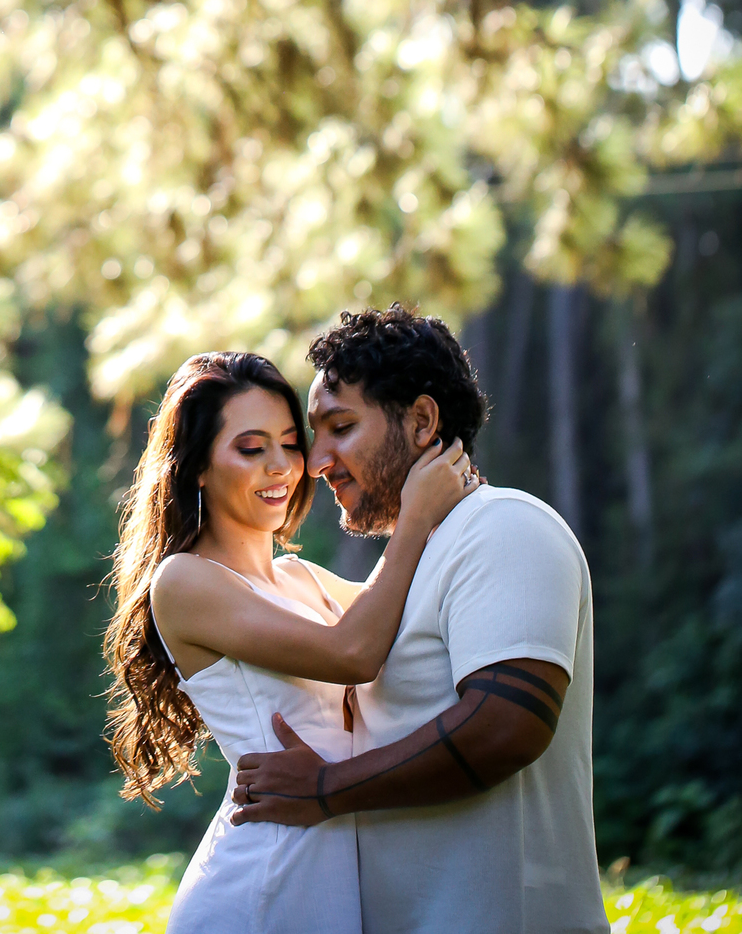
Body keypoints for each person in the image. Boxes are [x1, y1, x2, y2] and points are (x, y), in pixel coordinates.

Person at [231, 304, 610, 934]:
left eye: (341, 427)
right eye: (314, 434)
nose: (316, 459)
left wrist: (327, 788)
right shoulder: (412, 563)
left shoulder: (505, 527)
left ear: (423, 420)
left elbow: (506, 728)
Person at [103, 348, 477, 934]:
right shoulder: (184, 581)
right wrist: (414, 516)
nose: (281, 466)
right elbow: (354, 653)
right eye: (251, 449)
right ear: (197, 465)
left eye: (289, 443)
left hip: (329, 875)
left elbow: (410, 619)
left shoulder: (301, 578)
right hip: (262, 879)